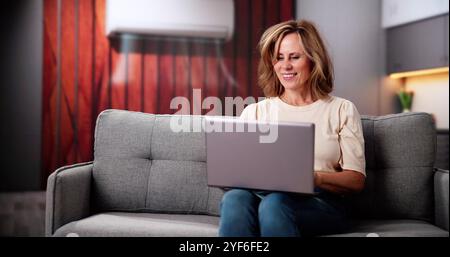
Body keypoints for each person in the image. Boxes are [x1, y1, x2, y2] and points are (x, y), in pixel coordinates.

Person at [218, 20, 366, 237]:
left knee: (274, 203)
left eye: (294, 57)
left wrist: (315, 177)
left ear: (313, 60)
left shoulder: (342, 109)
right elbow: (237, 175)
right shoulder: (255, 112)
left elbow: (356, 180)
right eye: (279, 58)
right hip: (262, 197)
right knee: (235, 198)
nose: (285, 66)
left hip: (320, 202)